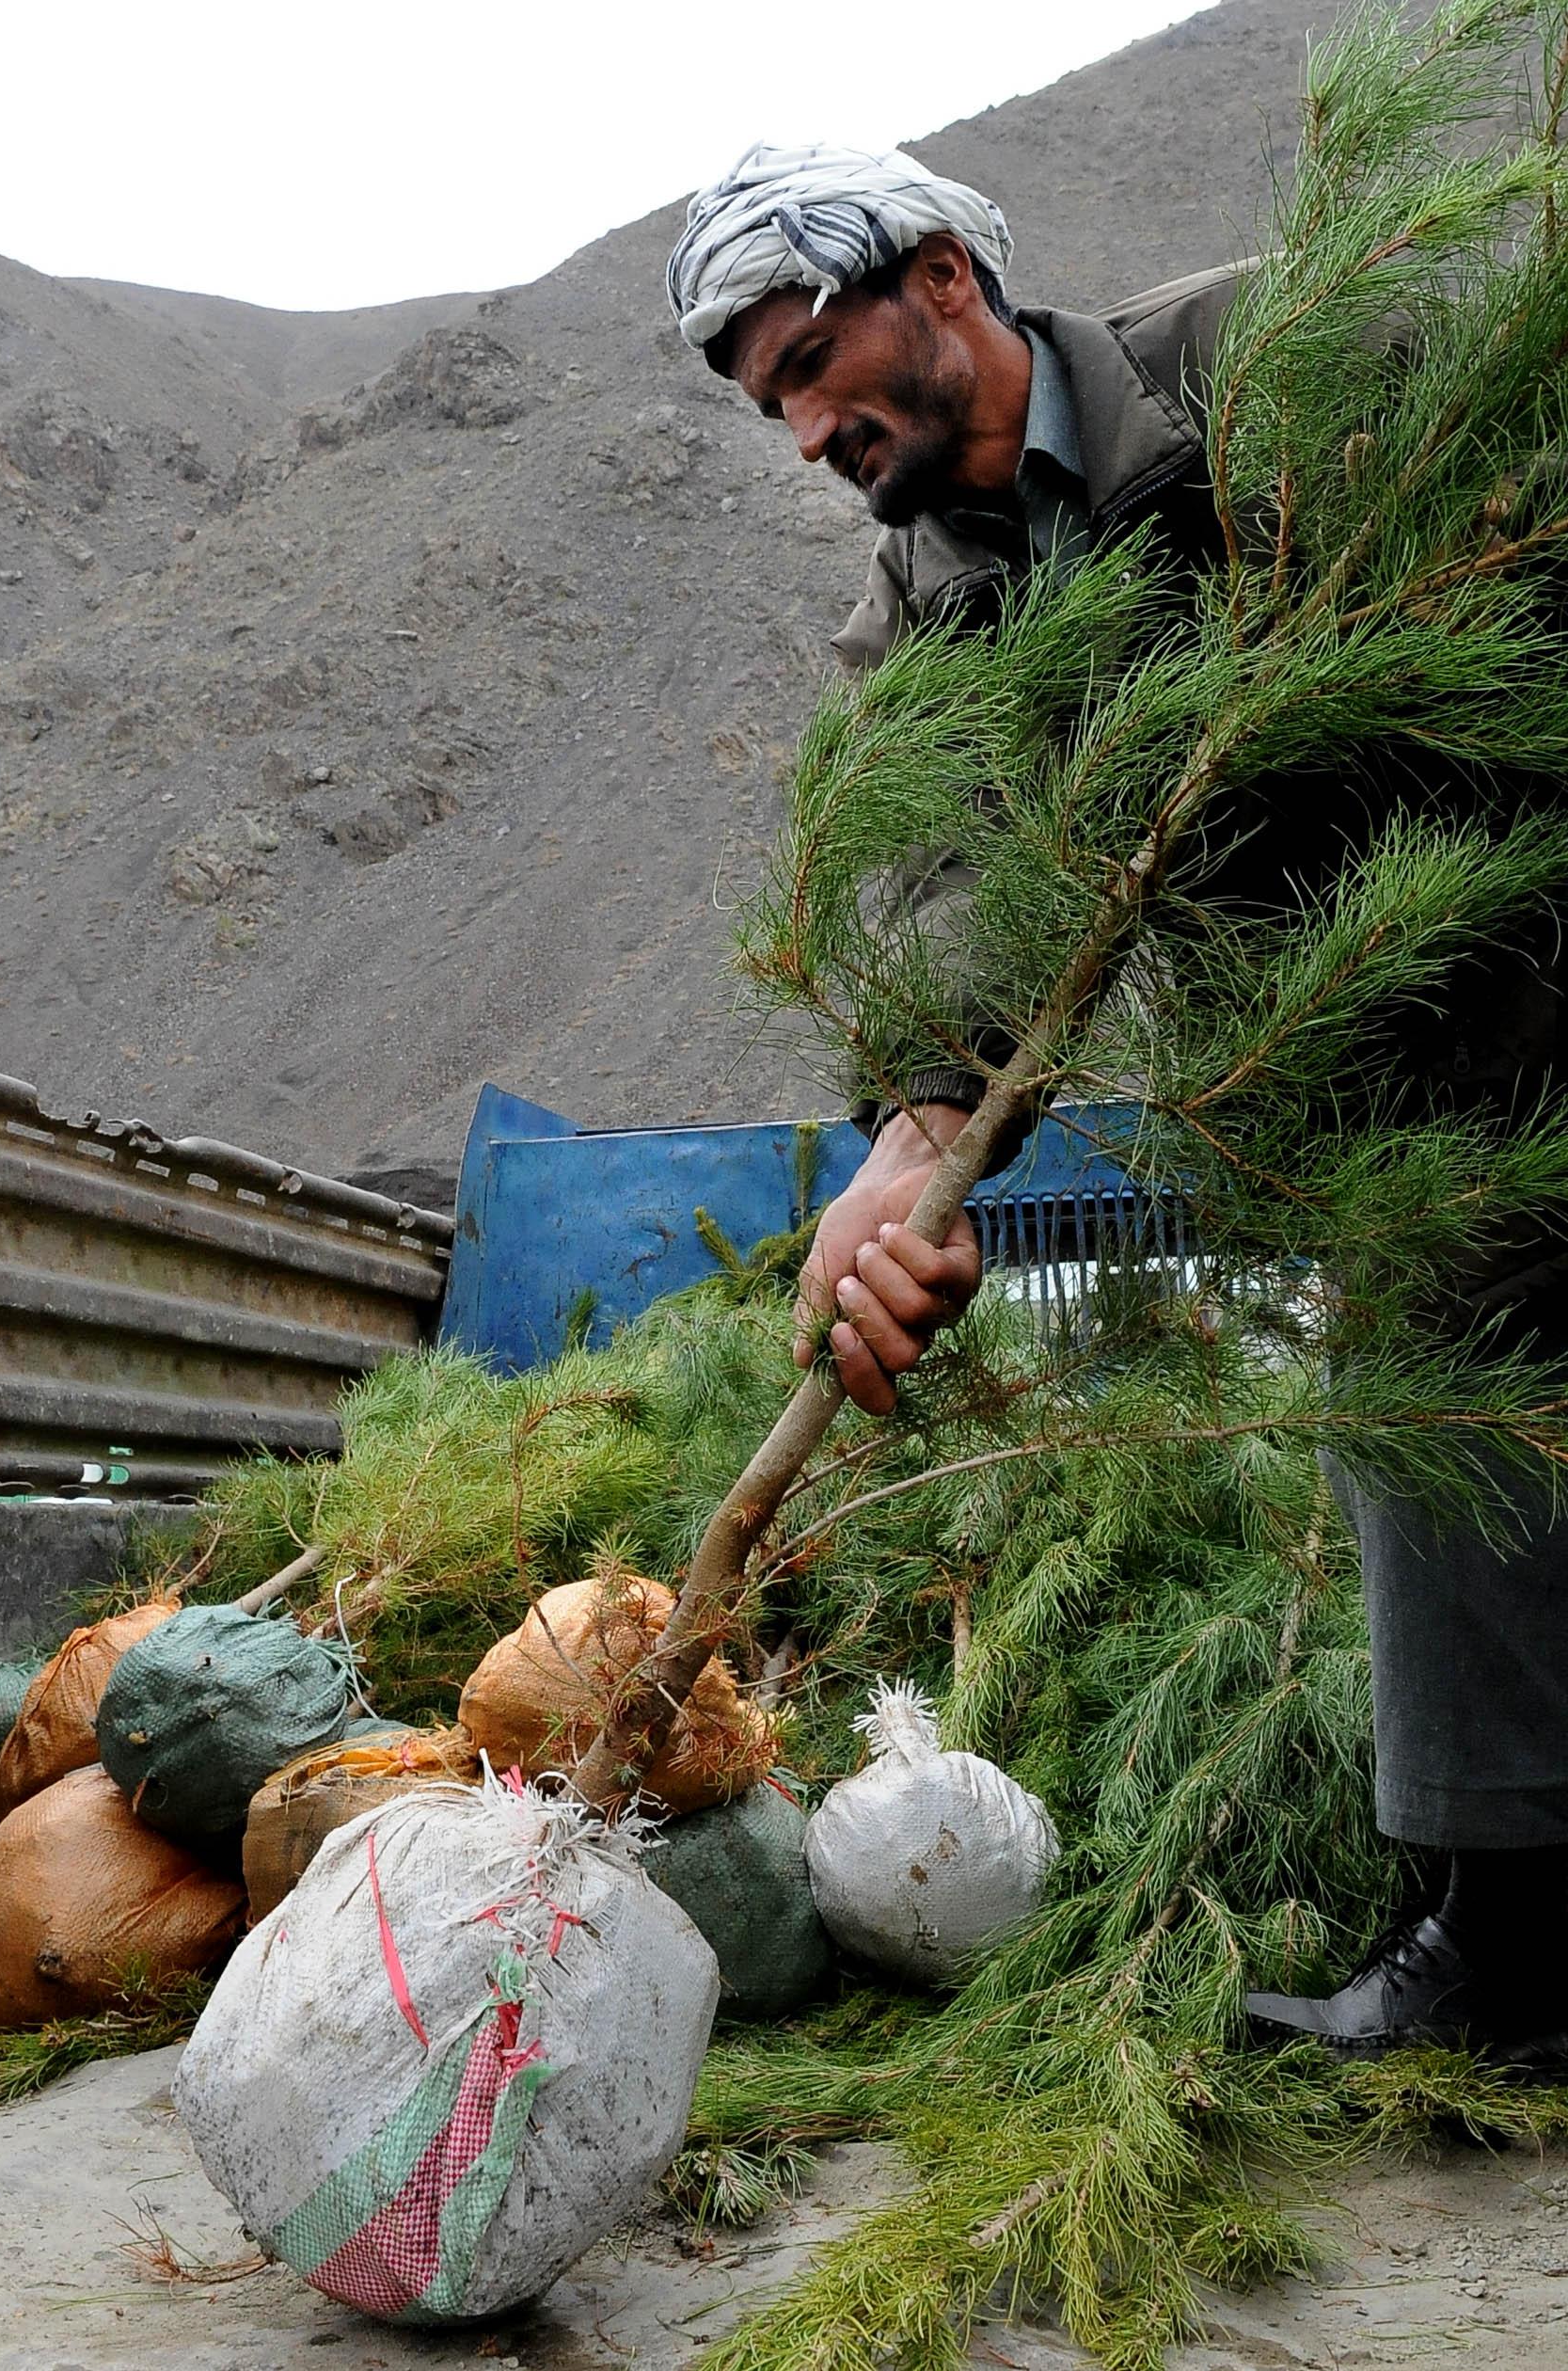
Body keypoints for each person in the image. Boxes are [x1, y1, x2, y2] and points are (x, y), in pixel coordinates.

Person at [666, 140, 1568, 2064]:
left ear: (939, 279)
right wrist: (911, 1155)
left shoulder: (1282, 353)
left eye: (814, 359)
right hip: (1381, 1097)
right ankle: (1512, 1948)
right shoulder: (918, 619)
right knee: (1441, 1465)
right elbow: (937, 896)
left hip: (1543, 947)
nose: (807, 425)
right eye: (770, 403)